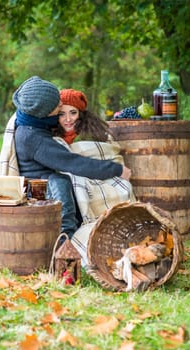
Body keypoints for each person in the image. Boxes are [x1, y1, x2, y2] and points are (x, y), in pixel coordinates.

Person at [0, 76, 132, 240]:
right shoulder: (33, 137)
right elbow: (72, 162)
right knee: (60, 182)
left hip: (47, 177)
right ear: (45, 112)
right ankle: (66, 239)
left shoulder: (29, 119)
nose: (61, 103)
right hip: (39, 188)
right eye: (57, 105)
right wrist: (116, 169)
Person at [53, 88, 136, 264]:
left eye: (73, 113)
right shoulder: (53, 138)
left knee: (122, 188)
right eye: (62, 114)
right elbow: (68, 164)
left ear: (81, 114)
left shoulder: (91, 134)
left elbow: (105, 155)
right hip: (75, 179)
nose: (67, 119)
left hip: (101, 177)